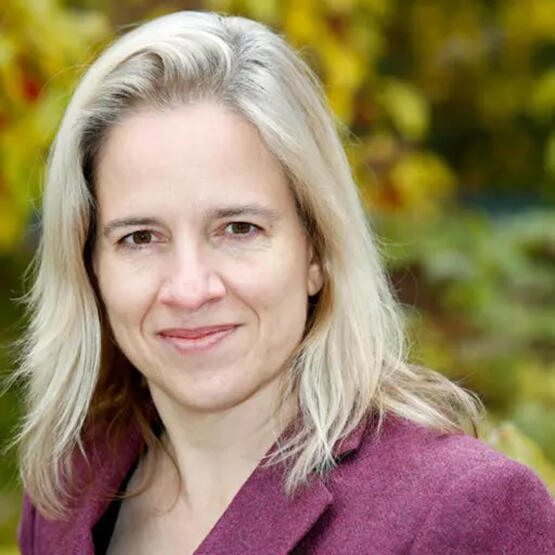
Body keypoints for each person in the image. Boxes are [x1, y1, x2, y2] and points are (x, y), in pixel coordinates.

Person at [14, 10, 553, 555]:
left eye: (238, 228)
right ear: (90, 267)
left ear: (316, 248)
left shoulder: (465, 513)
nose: (189, 288)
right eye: (139, 238)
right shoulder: (69, 491)